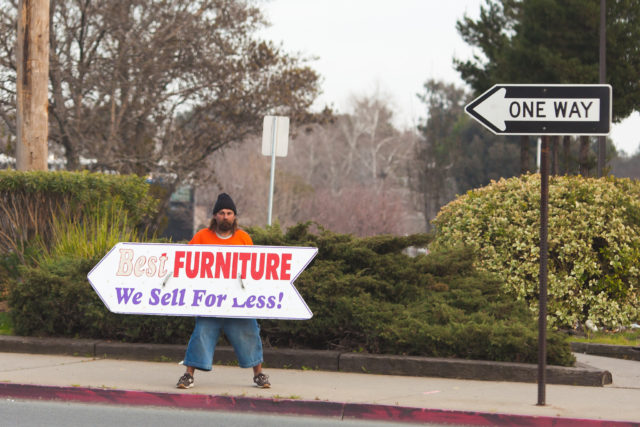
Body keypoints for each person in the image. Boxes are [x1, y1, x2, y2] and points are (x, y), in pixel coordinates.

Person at [176, 193, 270, 389]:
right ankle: (188, 375)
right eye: (221, 213)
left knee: (250, 333)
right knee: (201, 334)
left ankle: (259, 374)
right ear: (215, 216)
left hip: (238, 302)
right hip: (209, 301)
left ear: (234, 216)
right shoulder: (202, 236)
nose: (225, 216)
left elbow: (253, 269)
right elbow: (187, 263)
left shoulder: (243, 238)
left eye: (229, 213)